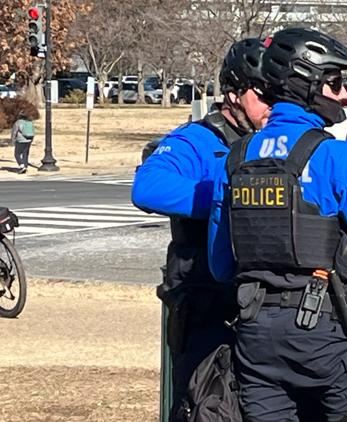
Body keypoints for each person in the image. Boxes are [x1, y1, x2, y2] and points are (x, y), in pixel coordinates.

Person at [207, 27, 347, 422]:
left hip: (255, 333)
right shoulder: (337, 157)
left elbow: (221, 265)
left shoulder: (234, 158)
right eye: (334, 83)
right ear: (305, 84)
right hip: (323, 330)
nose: (343, 95)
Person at [131, 37, 272, 421]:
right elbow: (148, 188)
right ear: (232, 93)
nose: (271, 106)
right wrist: (229, 195)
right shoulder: (197, 139)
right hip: (206, 307)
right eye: (263, 94)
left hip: (261, 310)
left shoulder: (274, 144)